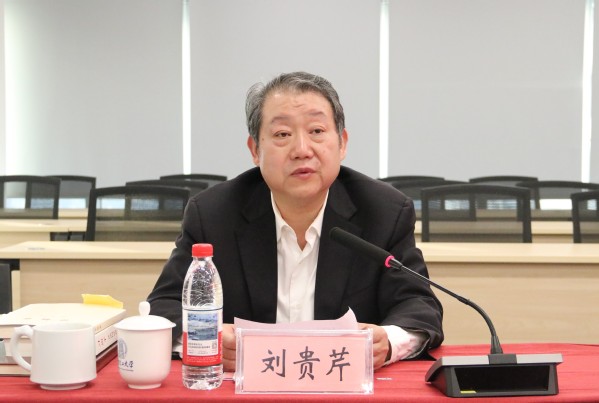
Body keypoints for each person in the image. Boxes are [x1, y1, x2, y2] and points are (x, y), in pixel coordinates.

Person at [147, 71, 443, 371]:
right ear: (255, 150)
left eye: (316, 130)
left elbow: (418, 307)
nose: (302, 150)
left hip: (342, 383)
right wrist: (206, 337)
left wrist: (387, 341)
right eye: (282, 134)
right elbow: (163, 307)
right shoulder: (213, 214)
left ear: (342, 143)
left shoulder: (384, 212)